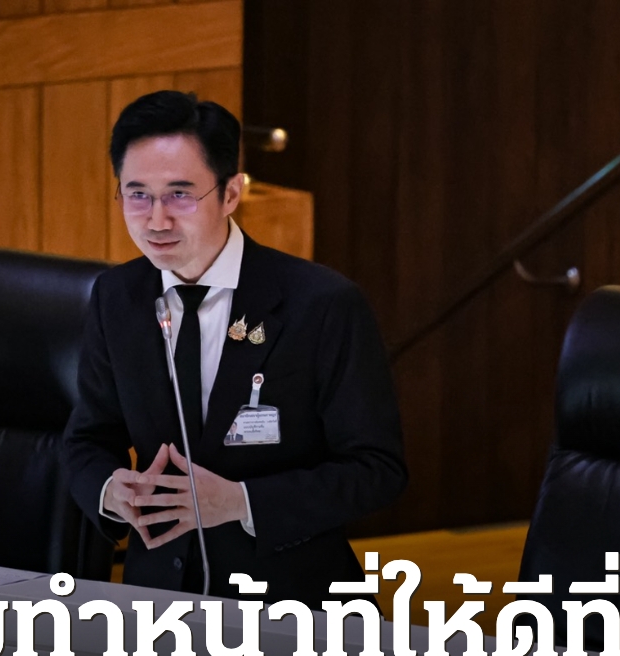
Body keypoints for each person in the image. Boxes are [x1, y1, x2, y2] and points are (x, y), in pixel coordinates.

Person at [63, 91, 407, 607]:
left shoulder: (321, 304)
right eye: (137, 195)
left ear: (230, 193)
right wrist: (112, 491)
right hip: (158, 600)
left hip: (292, 602)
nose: (156, 220)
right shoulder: (117, 297)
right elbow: (87, 439)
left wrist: (242, 502)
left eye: (180, 195)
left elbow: (378, 469)